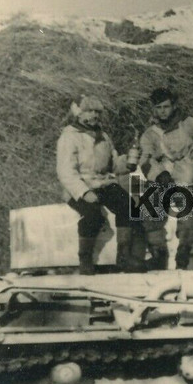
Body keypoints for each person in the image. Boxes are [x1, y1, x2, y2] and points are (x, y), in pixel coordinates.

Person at [56, 95, 147, 274]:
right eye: (89, 111)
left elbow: (113, 164)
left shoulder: (103, 136)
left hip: (103, 183)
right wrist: (83, 192)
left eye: (97, 111)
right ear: (79, 113)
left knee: (128, 206)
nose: (94, 115)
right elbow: (66, 172)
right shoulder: (69, 137)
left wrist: (128, 162)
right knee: (92, 215)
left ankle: (124, 257)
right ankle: (85, 259)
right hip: (79, 185)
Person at [137, 87, 193, 270]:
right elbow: (145, 158)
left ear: (174, 106)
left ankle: (184, 248)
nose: (162, 111)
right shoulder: (150, 133)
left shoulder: (189, 124)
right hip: (163, 175)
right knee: (149, 204)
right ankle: (158, 252)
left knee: (187, 202)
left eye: (166, 106)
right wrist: (159, 173)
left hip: (188, 172)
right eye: (158, 107)